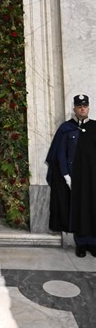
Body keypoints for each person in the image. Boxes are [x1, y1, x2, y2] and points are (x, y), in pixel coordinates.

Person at [46, 94, 96, 258]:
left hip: (92, 178)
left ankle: (93, 243)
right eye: (79, 106)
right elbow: (60, 153)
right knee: (79, 210)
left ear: (88, 108)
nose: (83, 108)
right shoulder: (66, 128)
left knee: (93, 209)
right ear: (74, 109)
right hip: (75, 179)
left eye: (85, 106)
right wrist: (66, 176)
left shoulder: (95, 127)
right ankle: (81, 243)